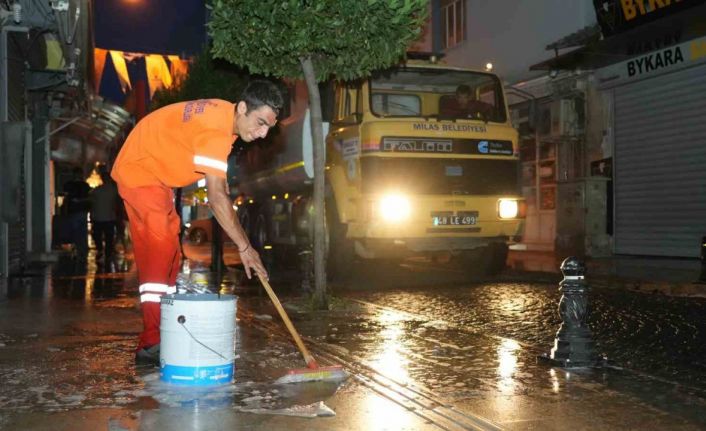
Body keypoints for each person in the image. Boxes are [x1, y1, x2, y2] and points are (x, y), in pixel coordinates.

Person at [111, 81, 283, 366]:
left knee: (172, 255)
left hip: (154, 177)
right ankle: (151, 343)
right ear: (242, 108)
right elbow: (217, 196)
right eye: (260, 122)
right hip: (141, 173)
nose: (263, 133)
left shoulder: (221, 116)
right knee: (160, 251)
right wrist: (244, 247)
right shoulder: (215, 131)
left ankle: (160, 331)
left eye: (269, 128)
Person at [89, 167, 119, 262]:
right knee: (109, 237)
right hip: (109, 217)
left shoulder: (97, 190)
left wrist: (92, 214)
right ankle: (107, 253)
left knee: (97, 235)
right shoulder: (114, 190)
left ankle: (101, 250)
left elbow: (91, 201)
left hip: (99, 217)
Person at [62, 167, 91, 261]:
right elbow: (88, 198)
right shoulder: (85, 185)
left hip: (74, 212)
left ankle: (77, 251)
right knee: (82, 232)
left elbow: (65, 194)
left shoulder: (70, 185)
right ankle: (82, 251)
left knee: (74, 232)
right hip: (82, 211)